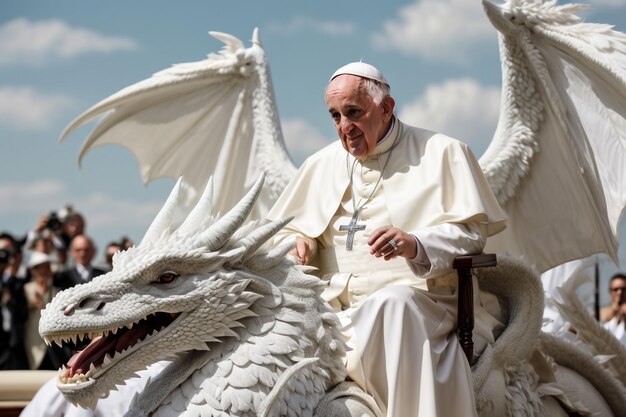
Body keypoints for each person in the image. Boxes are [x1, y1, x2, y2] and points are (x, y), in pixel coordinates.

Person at [267, 62, 507, 416]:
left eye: (353, 113)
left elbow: (470, 234)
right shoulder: (319, 165)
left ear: (386, 108)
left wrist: (415, 243)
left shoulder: (442, 151)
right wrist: (298, 241)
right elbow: (285, 229)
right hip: (335, 308)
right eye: (334, 116)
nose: (344, 128)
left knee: (392, 305)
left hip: (424, 302)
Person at [602, 272, 626, 346]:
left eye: (623, 289)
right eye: (616, 289)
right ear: (610, 291)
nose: (620, 292)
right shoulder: (602, 313)